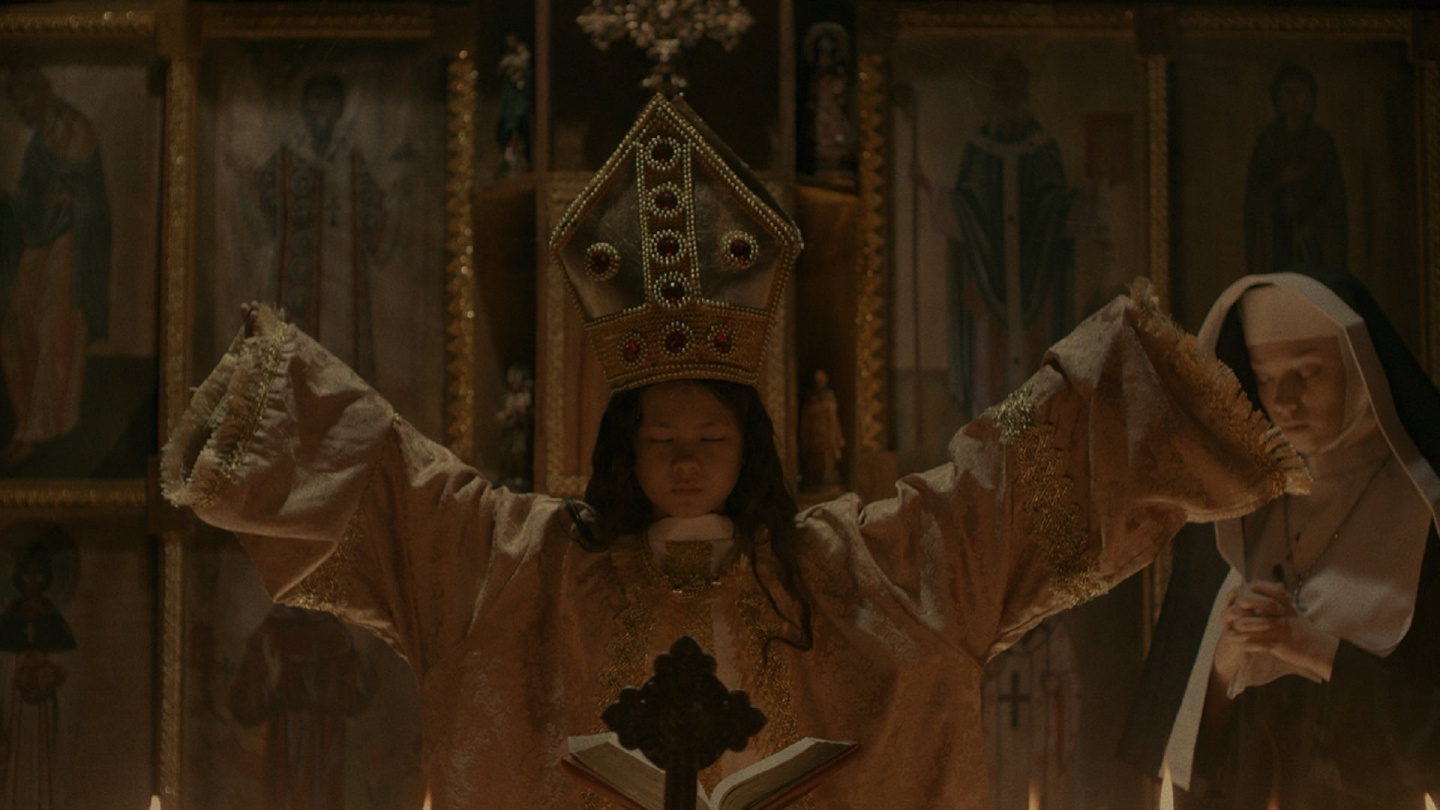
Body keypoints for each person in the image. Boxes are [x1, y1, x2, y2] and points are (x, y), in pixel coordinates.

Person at [162, 94, 1304, 809]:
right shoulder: (532, 566)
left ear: (749, 446)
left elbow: (990, 505)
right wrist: (271, 424)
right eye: (661, 438)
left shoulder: (846, 568)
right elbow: (407, 498)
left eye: (710, 436)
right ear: (622, 449)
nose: (685, 459)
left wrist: (1144, 401)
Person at [1119, 270, 1440, 808]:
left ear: (1359, 367)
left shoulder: (1427, 512)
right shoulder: (1238, 514)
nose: (1284, 400)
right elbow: (1185, 767)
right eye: (1265, 378)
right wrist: (1226, 662)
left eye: (1307, 372)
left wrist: (1314, 649)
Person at [0, 67, 111, 466]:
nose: (21, 111)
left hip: (69, 242)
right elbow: (32, 196)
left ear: (40, 93)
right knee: (15, 324)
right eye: (15, 104)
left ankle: (44, 429)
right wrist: (13, 203)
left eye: (24, 101)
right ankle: (28, 422)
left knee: (55, 330)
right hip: (40, 239)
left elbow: (84, 193)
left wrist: (54, 205)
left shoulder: (75, 127)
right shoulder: (38, 139)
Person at [229, 605, 376, 810]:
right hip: (286, 745)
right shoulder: (272, 630)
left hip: (326, 747)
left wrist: (362, 658)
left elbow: (354, 700)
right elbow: (242, 707)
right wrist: (270, 683)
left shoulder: (334, 629)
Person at [1243, 64, 1347, 276]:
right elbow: (1256, 196)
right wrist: (1281, 181)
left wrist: (1312, 217)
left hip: (1312, 238)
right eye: (1288, 93)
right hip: (1278, 238)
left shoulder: (1321, 142)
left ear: (1310, 99)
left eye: (1300, 93)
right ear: (1278, 100)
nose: (1293, 100)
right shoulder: (1268, 142)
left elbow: (1333, 197)